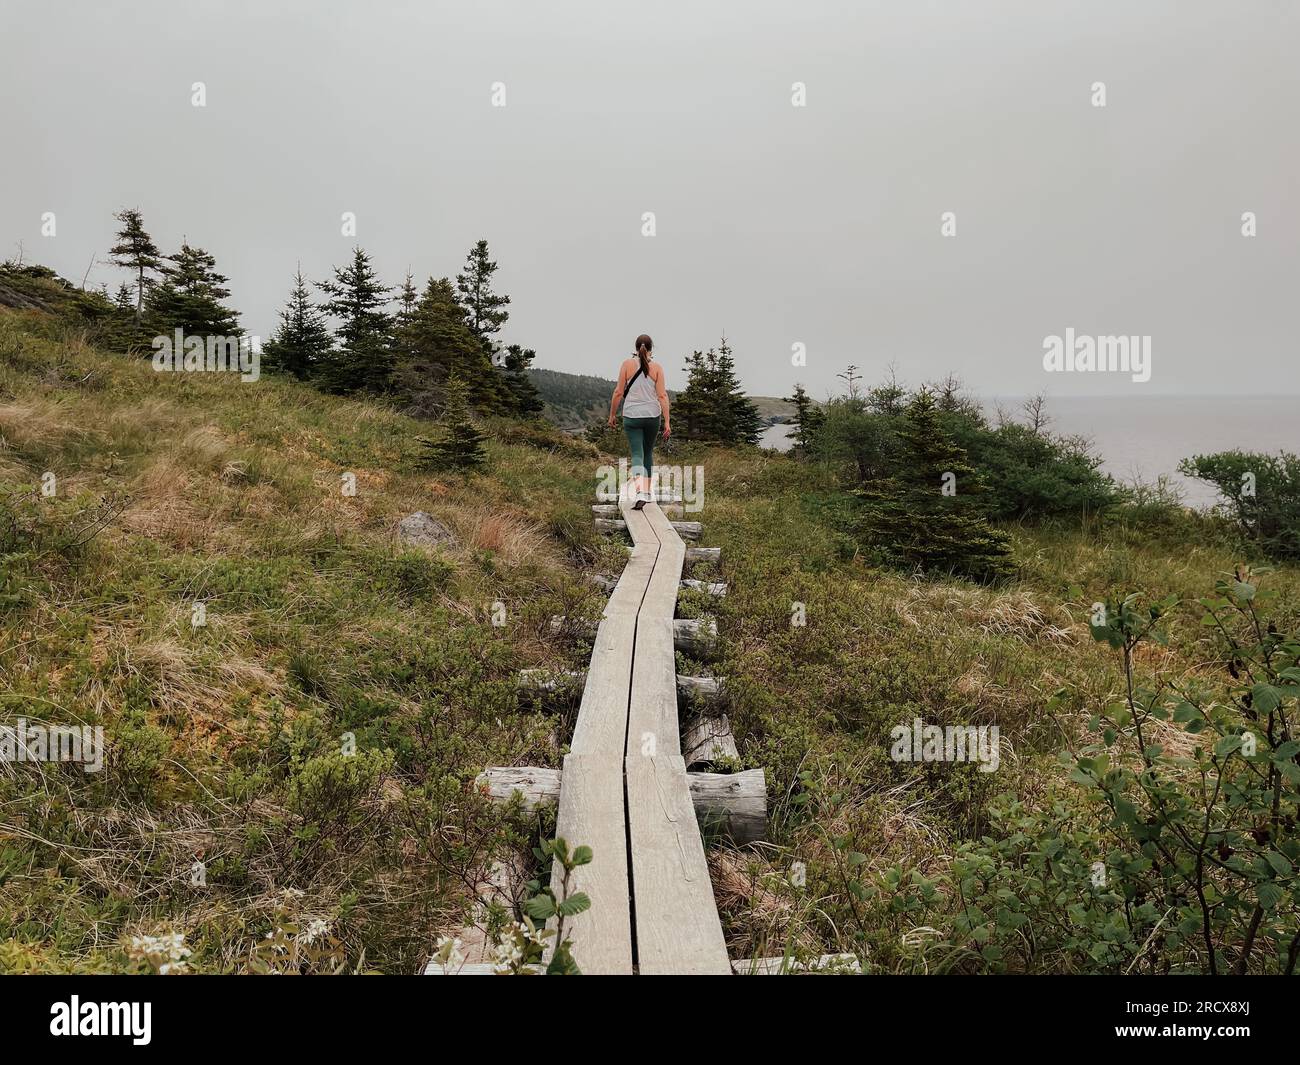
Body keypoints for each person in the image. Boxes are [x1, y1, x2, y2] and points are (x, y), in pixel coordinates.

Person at [607, 333, 670, 508]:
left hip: (631, 416)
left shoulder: (627, 365)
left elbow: (618, 392)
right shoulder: (657, 368)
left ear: (636, 348)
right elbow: (662, 396)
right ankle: (647, 492)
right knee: (648, 453)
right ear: (651, 349)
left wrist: (612, 415)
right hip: (652, 416)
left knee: (637, 454)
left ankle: (640, 490)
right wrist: (667, 422)